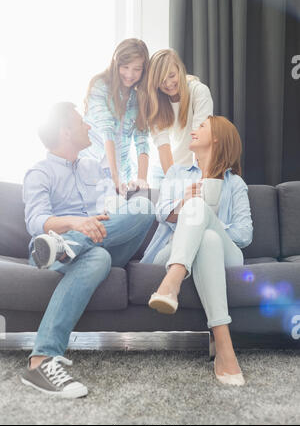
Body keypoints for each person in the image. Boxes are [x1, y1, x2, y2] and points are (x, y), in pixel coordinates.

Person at [21, 102, 155, 398]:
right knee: (98, 256)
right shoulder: (39, 173)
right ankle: (41, 360)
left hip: (97, 239)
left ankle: (68, 246)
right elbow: (36, 221)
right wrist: (75, 224)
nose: (89, 127)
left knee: (144, 206)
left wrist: (122, 197)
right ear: (66, 132)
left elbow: (113, 209)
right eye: (82, 123)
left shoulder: (92, 167)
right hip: (49, 255)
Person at [141, 116, 253, 386]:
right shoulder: (176, 174)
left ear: (217, 138)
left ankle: (171, 284)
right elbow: (161, 213)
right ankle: (224, 350)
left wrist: (206, 221)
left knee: (209, 232)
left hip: (229, 256)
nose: (194, 130)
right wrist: (185, 205)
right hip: (170, 250)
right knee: (208, 240)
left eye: (201, 126)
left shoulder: (234, 183)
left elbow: (244, 235)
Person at [81, 38, 150, 196]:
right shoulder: (99, 85)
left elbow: (142, 140)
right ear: (116, 64)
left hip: (121, 171)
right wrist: (114, 178)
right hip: (91, 167)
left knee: (138, 208)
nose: (130, 74)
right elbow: (107, 130)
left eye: (137, 69)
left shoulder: (139, 98)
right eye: (125, 67)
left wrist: (141, 180)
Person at [146, 48, 213, 188]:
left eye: (171, 75)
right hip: (164, 172)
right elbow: (163, 145)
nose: (168, 84)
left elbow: (200, 138)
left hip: (193, 169)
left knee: (192, 207)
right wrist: (173, 183)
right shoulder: (155, 102)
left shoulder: (199, 92)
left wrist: (199, 178)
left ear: (179, 69)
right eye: (162, 81)